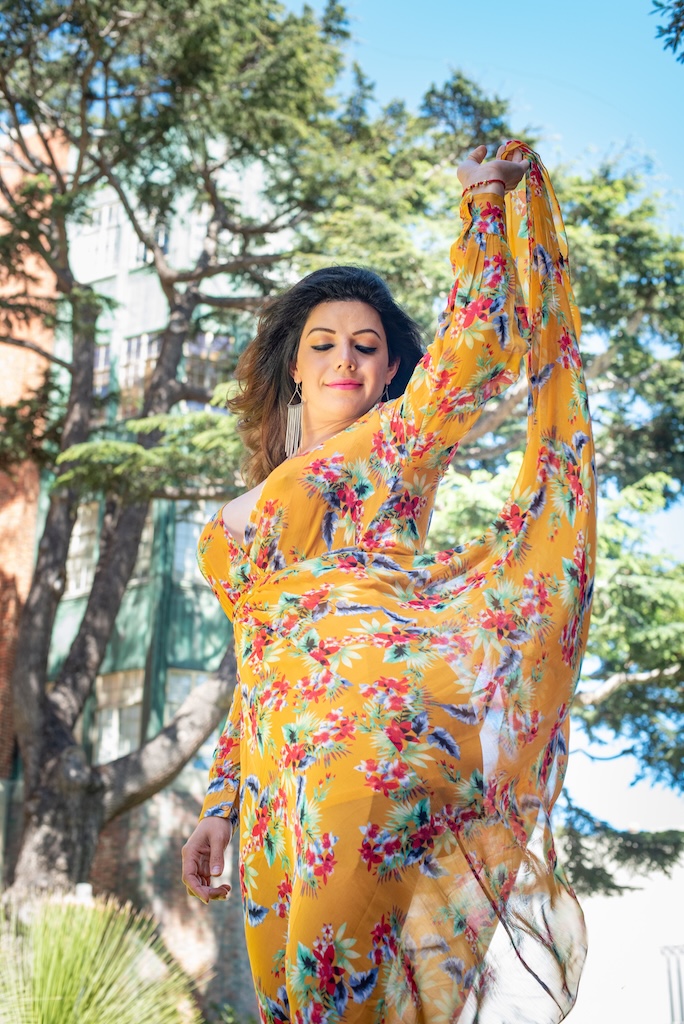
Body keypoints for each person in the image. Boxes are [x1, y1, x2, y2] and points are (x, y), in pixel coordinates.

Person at [182, 142, 596, 1024]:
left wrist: (484, 204)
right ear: (293, 367)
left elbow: (480, 345)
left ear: (390, 372)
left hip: (370, 731)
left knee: (334, 995)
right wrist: (221, 803)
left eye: (366, 348)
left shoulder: (395, 443)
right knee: (291, 1002)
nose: (345, 359)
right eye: (324, 344)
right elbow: (253, 661)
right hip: (276, 770)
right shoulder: (245, 506)